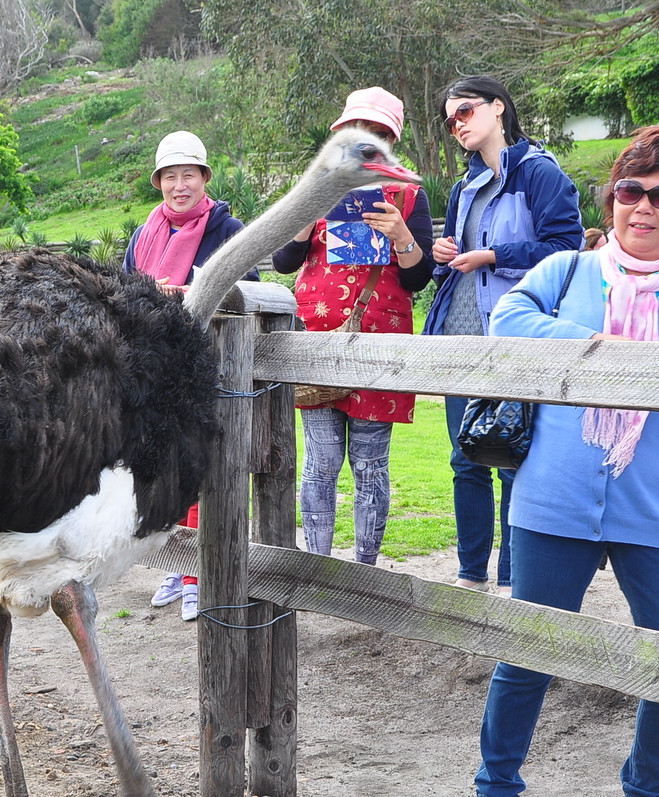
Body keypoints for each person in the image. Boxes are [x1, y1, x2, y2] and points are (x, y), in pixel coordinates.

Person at [476, 124, 659, 796]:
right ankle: (496, 782)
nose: (643, 206)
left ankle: (649, 786)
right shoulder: (568, 270)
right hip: (553, 498)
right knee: (527, 652)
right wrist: (598, 344)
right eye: (631, 189)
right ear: (612, 198)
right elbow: (507, 318)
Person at [423, 76, 582, 597]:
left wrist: (496, 255)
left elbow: (567, 249)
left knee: (516, 457)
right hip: (460, 333)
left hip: (518, 336)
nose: (458, 125)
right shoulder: (463, 187)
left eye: (465, 112)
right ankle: (471, 576)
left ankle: (517, 581)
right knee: (464, 459)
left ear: (498, 107)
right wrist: (444, 256)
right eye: (450, 120)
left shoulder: (539, 173)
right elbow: (447, 266)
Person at [271, 87, 433, 566]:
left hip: (377, 346)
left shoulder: (407, 195)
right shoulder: (313, 190)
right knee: (320, 463)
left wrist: (401, 236)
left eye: (379, 134)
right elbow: (283, 262)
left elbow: (418, 277)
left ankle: (365, 573)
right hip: (317, 346)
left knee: (369, 464)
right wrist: (303, 218)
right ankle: (318, 568)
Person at [123, 130, 252, 620]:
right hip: (156, 365)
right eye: (170, 176)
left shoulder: (225, 227)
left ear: (204, 178)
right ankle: (176, 566)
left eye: (188, 175)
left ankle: (201, 573)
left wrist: (189, 291)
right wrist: (145, 291)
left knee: (204, 463)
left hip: (208, 361)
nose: (180, 185)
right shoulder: (145, 232)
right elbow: (121, 290)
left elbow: (247, 290)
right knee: (165, 464)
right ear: (159, 182)